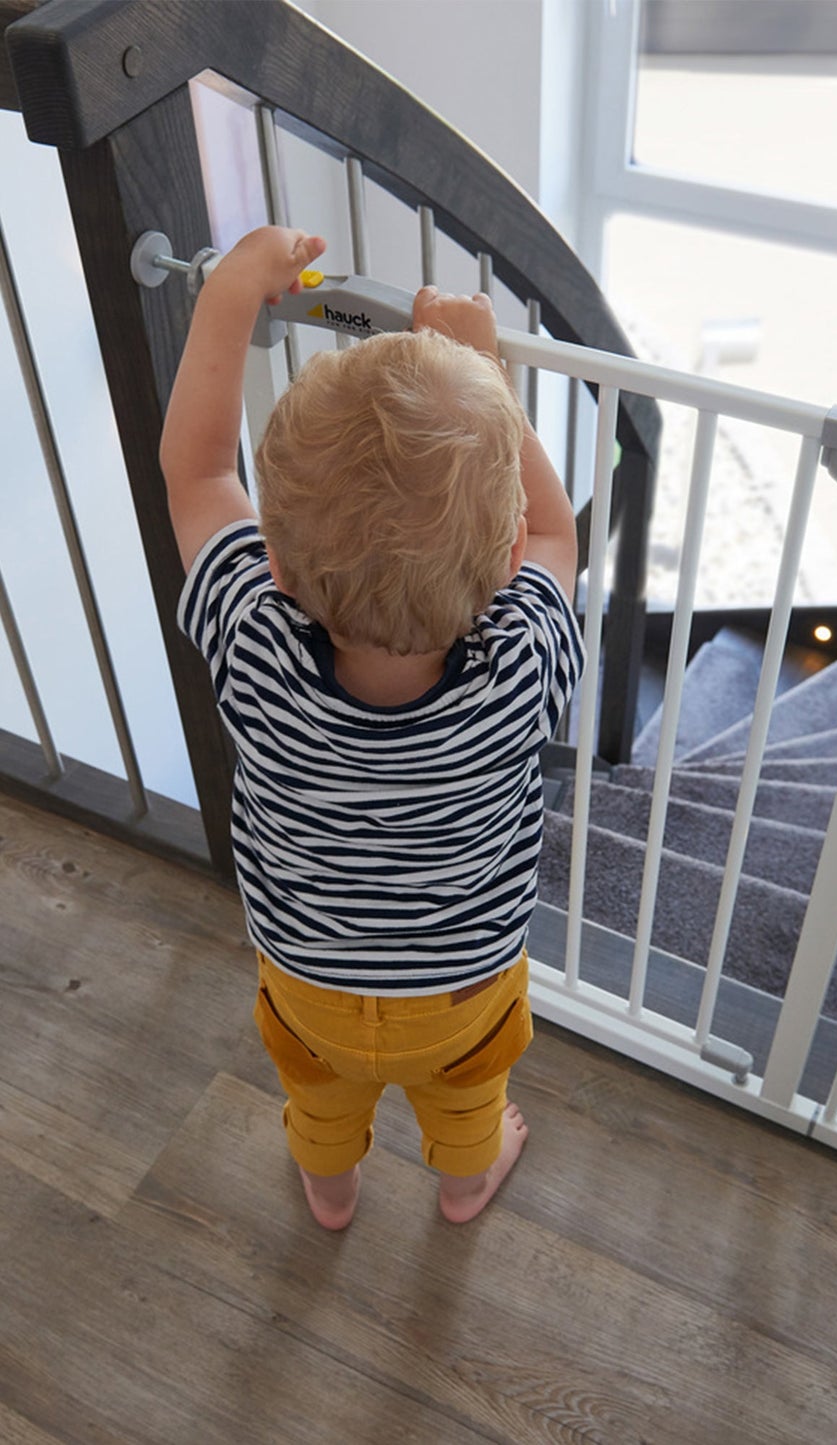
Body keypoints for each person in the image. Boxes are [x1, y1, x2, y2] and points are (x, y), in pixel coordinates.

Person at [161, 226, 581, 1230]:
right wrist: (480, 363)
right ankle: (464, 1180)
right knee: (467, 1100)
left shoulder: (253, 642)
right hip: (463, 991)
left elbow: (195, 473)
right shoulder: (522, 665)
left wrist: (230, 291)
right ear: (505, 556)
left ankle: (331, 1186)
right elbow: (563, 531)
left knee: (320, 1098)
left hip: (305, 980)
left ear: (275, 559)